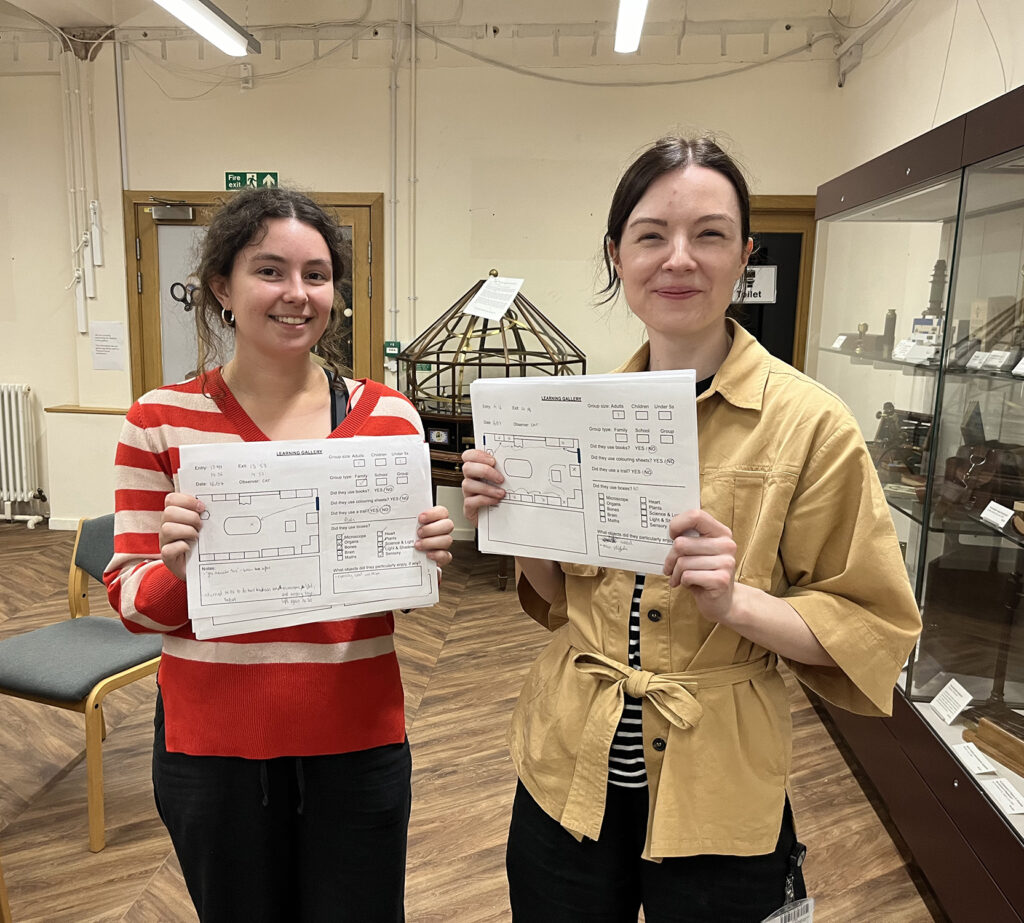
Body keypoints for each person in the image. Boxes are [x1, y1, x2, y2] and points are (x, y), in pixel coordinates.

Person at [461, 137, 922, 922]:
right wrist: (516, 522)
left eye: (709, 234)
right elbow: (559, 599)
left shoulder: (810, 424)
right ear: (616, 255)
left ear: (745, 254)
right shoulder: (580, 409)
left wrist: (736, 602)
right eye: (651, 235)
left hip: (721, 788)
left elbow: (873, 624)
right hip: (568, 764)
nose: (679, 258)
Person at [105, 187, 454, 923]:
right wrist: (173, 566)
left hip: (356, 737)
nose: (297, 294)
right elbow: (132, 603)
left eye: (317, 275)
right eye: (270, 271)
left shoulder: (388, 416)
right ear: (222, 288)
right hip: (215, 750)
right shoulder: (159, 421)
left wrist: (418, 555)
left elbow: (383, 597)